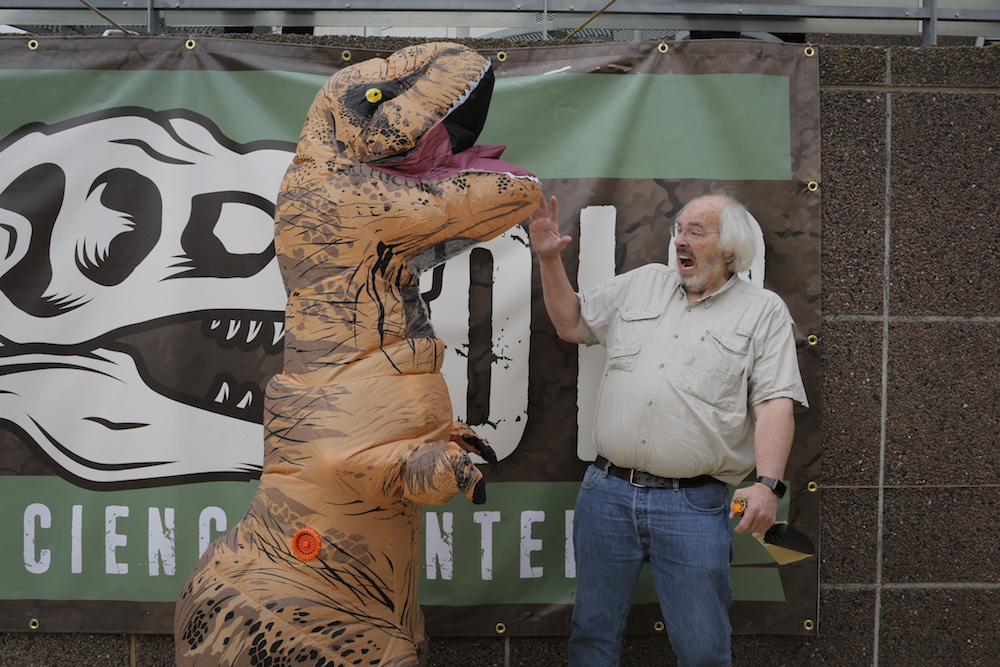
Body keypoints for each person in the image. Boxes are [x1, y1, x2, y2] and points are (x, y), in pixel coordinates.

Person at [527, 191, 808, 667]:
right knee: (591, 637)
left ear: (729, 247)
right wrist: (549, 259)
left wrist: (768, 483)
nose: (680, 239)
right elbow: (572, 323)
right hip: (606, 494)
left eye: (695, 231)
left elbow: (774, 401)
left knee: (702, 648)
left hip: (693, 505)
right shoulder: (641, 284)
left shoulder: (763, 312)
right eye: (678, 229)